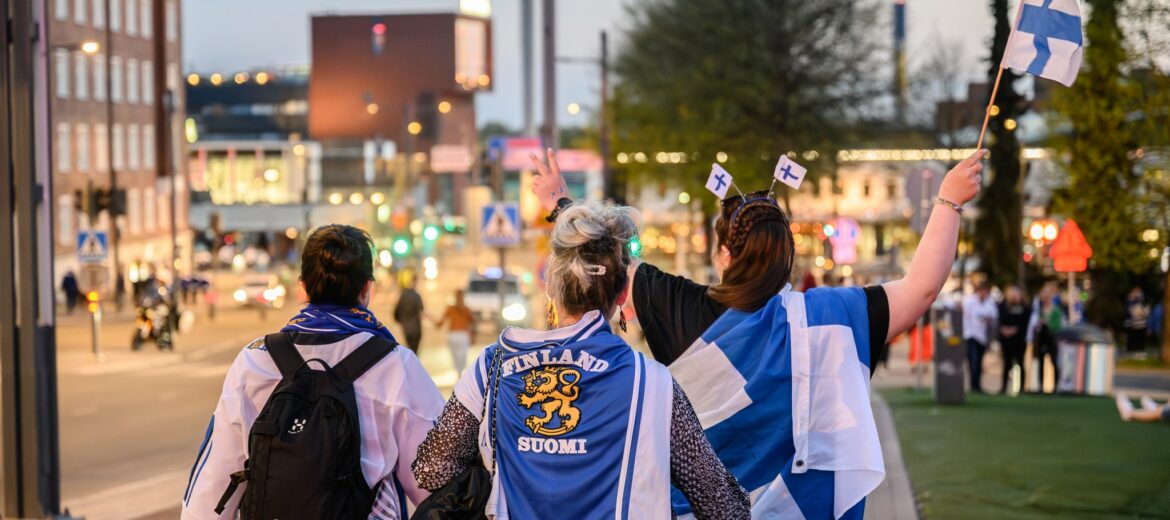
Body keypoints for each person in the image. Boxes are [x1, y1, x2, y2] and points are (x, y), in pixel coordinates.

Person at [526, 148, 985, 518]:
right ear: (788, 254)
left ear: (723, 252)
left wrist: (560, 203)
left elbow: (605, 258)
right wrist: (949, 200)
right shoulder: (829, 317)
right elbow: (922, 289)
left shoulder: (675, 302)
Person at [411, 202, 750, 519]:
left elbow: (431, 469)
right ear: (621, 295)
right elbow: (723, 506)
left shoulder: (491, 369)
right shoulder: (652, 383)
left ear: (551, 288)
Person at [181, 225, 444, 520]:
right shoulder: (396, 367)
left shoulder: (254, 361)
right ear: (367, 290)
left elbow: (211, 486)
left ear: (302, 287)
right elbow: (441, 487)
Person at [1028, 282, 1065, 392]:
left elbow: (1058, 325)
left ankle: (1056, 387)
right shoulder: (1038, 309)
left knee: (1054, 361)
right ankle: (1040, 386)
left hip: (1052, 338)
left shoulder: (1056, 310)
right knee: (1041, 362)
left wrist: (1047, 323)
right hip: (1041, 338)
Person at [962, 281, 998, 394]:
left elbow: (993, 317)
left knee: (979, 361)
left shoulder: (990, 303)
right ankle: (973, 385)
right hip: (971, 335)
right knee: (973, 360)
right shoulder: (970, 302)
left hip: (982, 337)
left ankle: (977, 384)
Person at [997, 285, 1030, 395]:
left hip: (1019, 340)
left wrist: (1014, 330)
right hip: (1006, 340)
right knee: (1006, 363)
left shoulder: (1024, 308)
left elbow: (1025, 323)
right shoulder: (1002, 306)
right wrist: (1004, 330)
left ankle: (1021, 389)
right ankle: (1003, 388)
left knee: (1020, 363)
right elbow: (999, 320)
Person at [434, 289, 476, 372]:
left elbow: (439, 324)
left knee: (455, 357)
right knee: (462, 357)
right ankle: (460, 372)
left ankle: (458, 372)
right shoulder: (466, 309)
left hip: (452, 335)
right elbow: (473, 323)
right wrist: (473, 336)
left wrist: (430, 319)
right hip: (463, 335)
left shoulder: (450, 309)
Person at [393, 274, 424, 353]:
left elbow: (396, 312)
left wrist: (402, 321)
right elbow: (421, 312)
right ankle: (414, 362)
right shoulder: (417, 296)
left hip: (406, 327)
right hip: (416, 328)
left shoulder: (403, 296)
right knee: (415, 350)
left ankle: (412, 361)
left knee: (410, 347)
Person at [1125, 287, 1149, 353]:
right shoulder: (1131, 302)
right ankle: (1132, 350)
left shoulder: (1142, 303)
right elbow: (1131, 312)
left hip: (1140, 324)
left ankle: (1139, 350)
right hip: (1133, 324)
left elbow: (1146, 312)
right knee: (1133, 338)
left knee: (1139, 338)